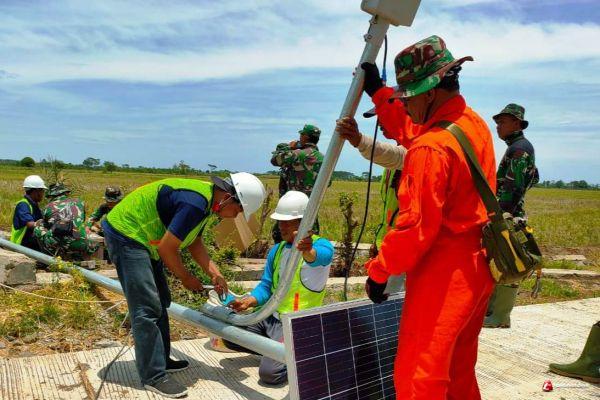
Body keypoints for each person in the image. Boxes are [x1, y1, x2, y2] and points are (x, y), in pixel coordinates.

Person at [341, 35, 497, 399]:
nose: (406, 106)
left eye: (408, 98)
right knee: (457, 372)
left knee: (419, 377)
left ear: (430, 93)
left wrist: (379, 272)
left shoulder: (431, 148)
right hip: (479, 268)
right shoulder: (470, 124)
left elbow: (415, 229)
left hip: (444, 274)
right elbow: (413, 129)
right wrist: (379, 94)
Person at [102, 173, 266, 398]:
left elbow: (193, 241)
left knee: (162, 300)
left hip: (144, 239)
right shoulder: (194, 204)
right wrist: (186, 277)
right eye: (238, 211)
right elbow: (167, 249)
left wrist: (215, 273)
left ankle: (161, 360)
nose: (235, 216)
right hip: (126, 234)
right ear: (228, 198)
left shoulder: (207, 204)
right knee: (147, 307)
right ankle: (153, 376)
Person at [224, 191, 334, 385]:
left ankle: (297, 352)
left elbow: (319, 257)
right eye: (280, 221)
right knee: (230, 335)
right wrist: (249, 300)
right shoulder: (278, 250)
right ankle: (277, 351)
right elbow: (267, 286)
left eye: (288, 222)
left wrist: (308, 250)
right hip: (271, 318)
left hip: (296, 324)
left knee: (270, 374)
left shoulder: (321, 246)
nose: (281, 226)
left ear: (304, 221)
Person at [484, 103, 539, 328]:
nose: (498, 126)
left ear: (517, 123)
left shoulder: (519, 149)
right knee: (503, 259)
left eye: (503, 122)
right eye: (497, 122)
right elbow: (534, 177)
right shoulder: (519, 147)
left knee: (510, 261)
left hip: (509, 216)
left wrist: (502, 215)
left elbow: (514, 186)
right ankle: (493, 312)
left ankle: (500, 316)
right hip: (512, 214)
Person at [337, 110, 407, 254]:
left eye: (384, 114)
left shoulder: (417, 151)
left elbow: (397, 155)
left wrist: (359, 140)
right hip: (389, 246)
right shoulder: (390, 166)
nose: (379, 122)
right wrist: (378, 242)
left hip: (404, 249)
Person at [270, 124, 324, 241]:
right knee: (311, 238)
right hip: (312, 205)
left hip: (292, 207)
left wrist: (289, 148)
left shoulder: (297, 154)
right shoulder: (323, 158)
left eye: (301, 135)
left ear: (305, 137)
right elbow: (327, 183)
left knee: (283, 237)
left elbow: (274, 160)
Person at [33, 183, 99, 260]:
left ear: (51, 196)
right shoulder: (79, 202)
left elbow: (47, 225)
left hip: (59, 245)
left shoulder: (47, 207)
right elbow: (81, 221)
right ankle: (77, 254)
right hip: (82, 244)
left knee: (38, 226)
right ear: (66, 193)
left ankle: (47, 256)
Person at [10, 175, 46, 251]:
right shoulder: (23, 205)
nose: (43, 193)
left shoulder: (34, 205)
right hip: (21, 245)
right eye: (42, 190)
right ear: (36, 191)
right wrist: (42, 223)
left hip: (29, 243)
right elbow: (30, 224)